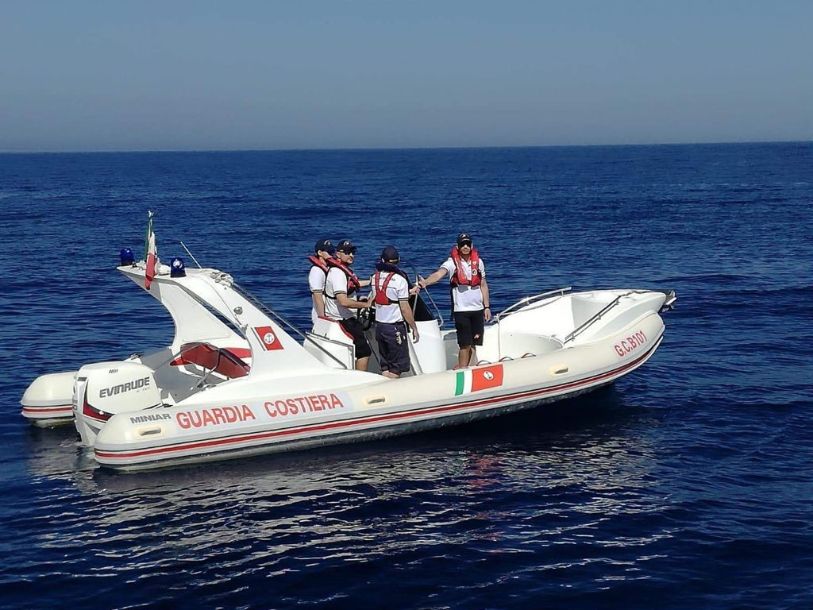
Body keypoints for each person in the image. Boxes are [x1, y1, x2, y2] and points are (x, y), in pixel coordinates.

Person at [418, 232, 491, 368]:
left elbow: (483, 285)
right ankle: (463, 370)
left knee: (474, 344)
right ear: (457, 246)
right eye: (462, 244)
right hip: (461, 310)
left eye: (467, 244)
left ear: (471, 245)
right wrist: (426, 282)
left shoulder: (479, 262)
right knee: (464, 345)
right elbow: (439, 274)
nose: (465, 247)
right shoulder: (451, 263)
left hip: (478, 309)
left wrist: (486, 306)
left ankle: (471, 369)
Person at [371, 246, 419, 378]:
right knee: (396, 367)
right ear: (397, 261)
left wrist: (408, 293)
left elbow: (385, 297)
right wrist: (414, 327)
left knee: (385, 365)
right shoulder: (400, 280)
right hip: (394, 328)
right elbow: (404, 307)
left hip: (380, 326)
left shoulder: (374, 278)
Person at [324, 239, 372, 371]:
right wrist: (366, 305)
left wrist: (371, 281)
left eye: (353, 252)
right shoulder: (338, 274)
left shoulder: (339, 271)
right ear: (338, 254)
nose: (351, 255)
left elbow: (351, 286)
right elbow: (343, 301)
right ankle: (361, 382)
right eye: (347, 252)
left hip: (342, 316)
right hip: (342, 319)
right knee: (364, 351)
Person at [307, 238, 336, 327]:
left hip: (331, 314)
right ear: (320, 253)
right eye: (329, 252)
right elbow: (317, 296)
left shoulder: (328, 269)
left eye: (332, 252)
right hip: (322, 317)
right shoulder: (317, 271)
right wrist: (322, 319)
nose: (331, 255)